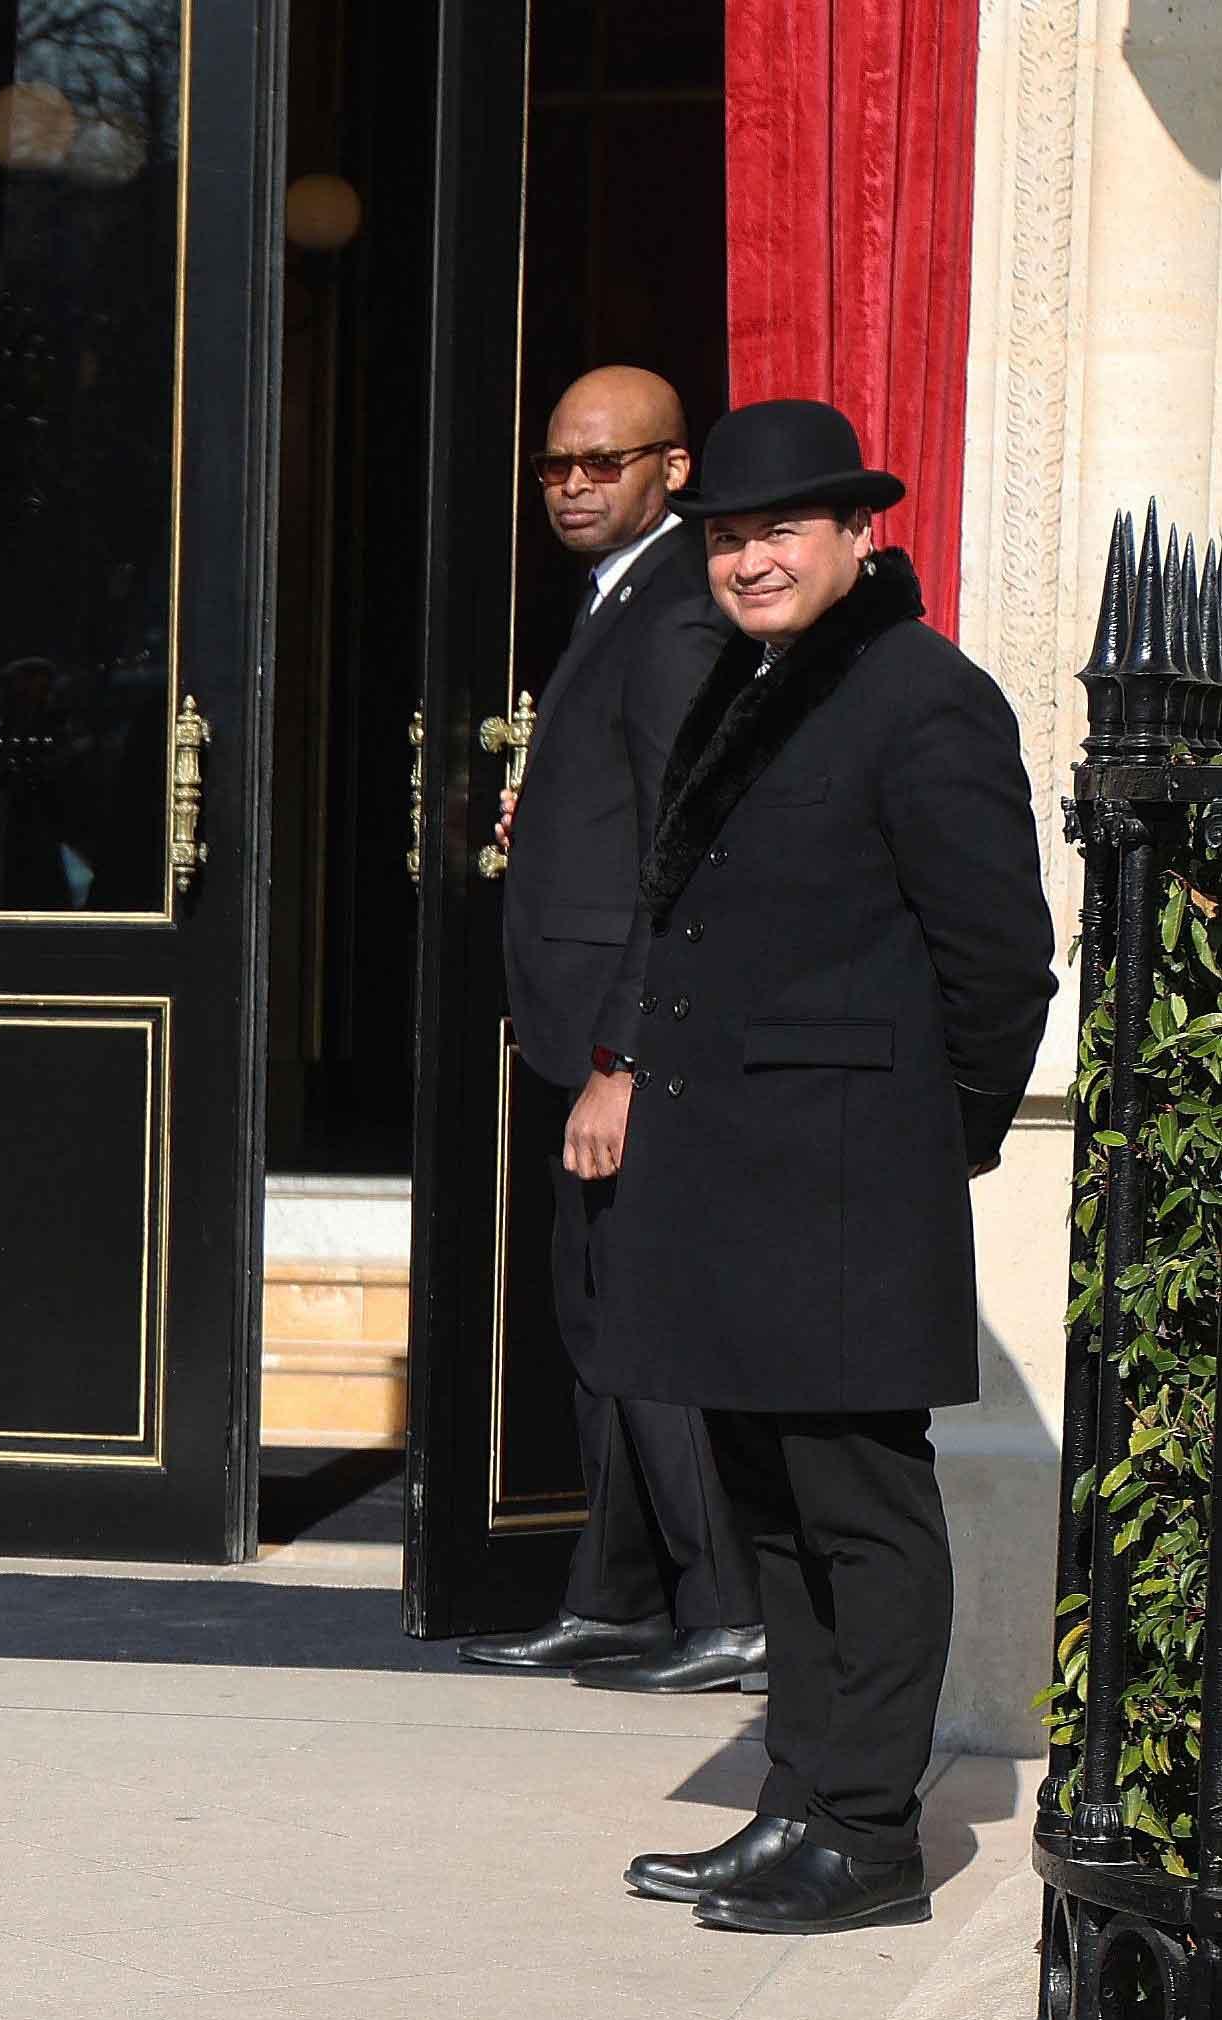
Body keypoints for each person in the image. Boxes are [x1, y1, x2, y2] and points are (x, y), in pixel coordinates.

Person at [598, 401, 1054, 1935]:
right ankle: (797, 1800)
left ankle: (864, 1837)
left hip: (847, 1181)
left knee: (856, 1504)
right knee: (768, 1506)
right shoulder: (758, 685)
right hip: (735, 1178)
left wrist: (942, 1137)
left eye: (779, 530)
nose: (748, 559)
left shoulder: (921, 696)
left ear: (858, 535)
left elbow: (1000, 955)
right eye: (724, 536)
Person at [461, 367, 765, 1694]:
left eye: (602, 463)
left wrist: (623, 1062)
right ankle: (616, 1599)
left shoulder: (677, 613)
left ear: (671, 471)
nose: (573, 486)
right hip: (576, 1025)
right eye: (554, 467)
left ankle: (729, 1610)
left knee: (647, 1325)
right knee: (594, 1323)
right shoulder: (611, 603)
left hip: (629, 1050)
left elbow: (684, 850)